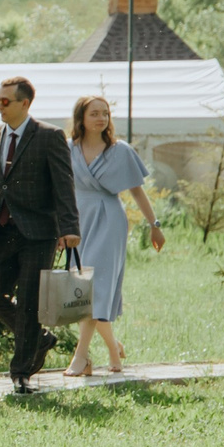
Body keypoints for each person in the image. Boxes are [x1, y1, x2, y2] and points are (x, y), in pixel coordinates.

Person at [0, 74, 81, 395]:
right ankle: (39, 339)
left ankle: (21, 374)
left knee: (30, 302)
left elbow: (63, 185)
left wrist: (70, 228)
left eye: (5, 101)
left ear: (25, 103)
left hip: (38, 233)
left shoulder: (49, 136)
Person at [63, 93, 165, 377]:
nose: (101, 118)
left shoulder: (120, 150)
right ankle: (112, 347)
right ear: (81, 118)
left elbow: (136, 190)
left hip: (110, 220)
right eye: (94, 113)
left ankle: (81, 357)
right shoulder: (68, 149)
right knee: (83, 290)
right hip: (79, 221)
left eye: (105, 113)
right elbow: (60, 190)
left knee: (98, 288)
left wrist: (154, 224)